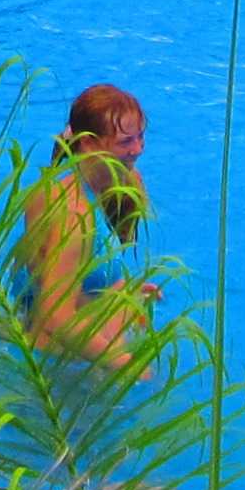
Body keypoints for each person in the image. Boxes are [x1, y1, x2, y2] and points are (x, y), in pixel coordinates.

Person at [18, 83, 152, 363]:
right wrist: (126, 366)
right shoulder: (71, 213)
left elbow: (83, 272)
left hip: (85, 349)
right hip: (58, 367)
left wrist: (125, 292)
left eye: (141, 137)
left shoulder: (123, 183)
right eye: (125, 142)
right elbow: (55, 317)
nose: (138, 149)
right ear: (89, 143)